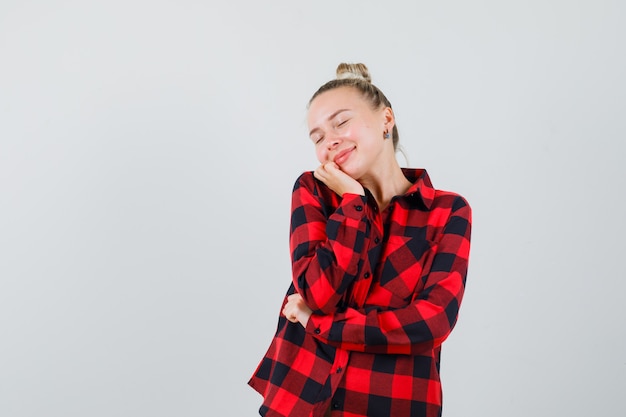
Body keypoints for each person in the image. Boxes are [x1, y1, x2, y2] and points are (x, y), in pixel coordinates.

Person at [248, 63, 472, 417]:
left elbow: (430, 323)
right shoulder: (313, 191)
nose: (330, 141)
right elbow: (317, 292)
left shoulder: (447, 211)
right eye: (318, 137)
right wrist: (353, 203)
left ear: (386, 119)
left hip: (393, 405)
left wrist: (319, 323)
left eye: (340, 122)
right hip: (301, 401)